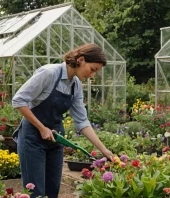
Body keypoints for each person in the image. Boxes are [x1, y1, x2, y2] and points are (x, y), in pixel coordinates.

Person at [12, 43, 114, 198]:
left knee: (52, 191)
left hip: (55, 140)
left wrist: (103, 150)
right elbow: (19, 101)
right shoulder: (49, 73)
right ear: (80, 59)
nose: (92, 76)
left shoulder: (76, 85)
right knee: (35, 192)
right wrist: (41, 128)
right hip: (32, 139)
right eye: (92, 69)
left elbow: (82, 122)